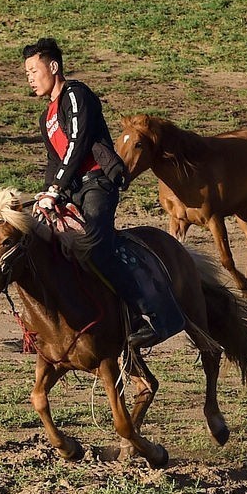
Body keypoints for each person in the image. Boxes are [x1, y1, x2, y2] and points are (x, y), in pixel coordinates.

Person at [21, 37, 175, 349]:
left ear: (53, 67)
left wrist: (57, 188)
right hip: (71, 190)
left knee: (93, 244)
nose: (30, 78)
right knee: (36, 245)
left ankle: (150, 315)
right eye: (26, 74)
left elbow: (78, 142)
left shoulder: (76, 94)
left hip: (98, 183)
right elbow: (55, 160)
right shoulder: (46, 116)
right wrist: (45, 195)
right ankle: (46, 333)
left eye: (34, 71)